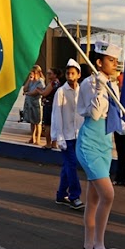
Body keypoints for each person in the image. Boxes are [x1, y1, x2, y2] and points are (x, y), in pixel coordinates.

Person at [76, 41, 125, 249]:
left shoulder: (112, 85)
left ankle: (88, 243)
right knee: (108, 194)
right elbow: (94, 115)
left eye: (116, 60)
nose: (115, 64)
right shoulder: (89, 84)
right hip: (89, 143)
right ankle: (99, 243)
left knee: (94, 198)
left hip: (105, 144)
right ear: (98, 62)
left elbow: (115, 118)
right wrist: (98, 91)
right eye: (111, 60)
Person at [51, 59, 85, 210]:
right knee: (71, 165)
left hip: (78, 135)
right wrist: (59, 136)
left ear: (78, 75)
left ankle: (60, 195)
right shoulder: (61, 92)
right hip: (66, 135)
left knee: (67, 166)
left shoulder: (82, 90)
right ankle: (74, 196)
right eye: (68, 73)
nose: (70, 76)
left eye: (73, 73)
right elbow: (57, 114)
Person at [23, 65, 45, 145]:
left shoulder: (40, 81)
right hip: (30, 103)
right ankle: (33, 137)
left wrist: (27, 93)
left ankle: (38, 139)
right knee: (32, 121)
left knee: (37, 122)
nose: (32, 74)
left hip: (36, 103)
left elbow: (36, 92)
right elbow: (25, 88)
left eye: (33, 73)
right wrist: (29, 80)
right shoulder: (32, 81)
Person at [40, 67, 61, 149]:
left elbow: (45, 93)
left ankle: (49, 143)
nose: (48, 75)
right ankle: (54, 143)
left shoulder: (53, 83)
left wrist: (39, 92)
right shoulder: (56, 83)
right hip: (54, 105)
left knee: (48, 125)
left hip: (49, 105)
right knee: (54, 124)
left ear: (55, 75)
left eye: (50, 73)